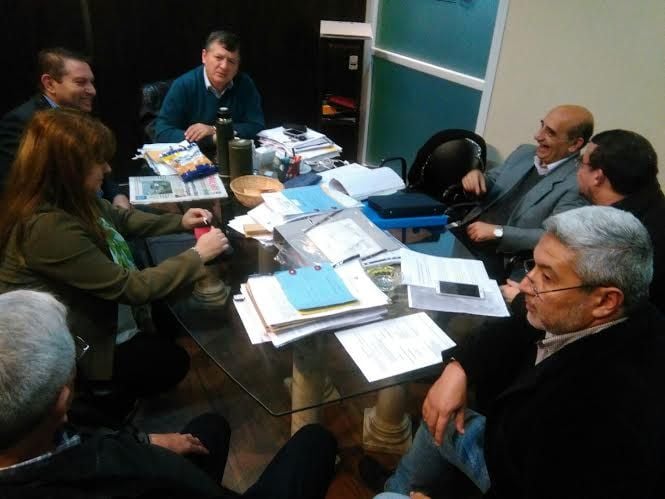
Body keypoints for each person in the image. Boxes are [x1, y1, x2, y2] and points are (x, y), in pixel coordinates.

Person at [373, 206, 665, 499]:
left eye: (547, 277)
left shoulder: (611, 413)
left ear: (605, 301)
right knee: (438, 415)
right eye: (532, 265)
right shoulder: (601, 313)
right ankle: (402, 486)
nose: (525, 285)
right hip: (512, 450)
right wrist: (458, 367)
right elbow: (516, 327)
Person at [0, 108, 229, 421]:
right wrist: (197, 255)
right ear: (69, 169)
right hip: (76, 339)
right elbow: (129, 287)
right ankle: (101, 395)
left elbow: (119, 218)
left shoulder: (70, 196)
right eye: (99, 161)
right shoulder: (46, 227)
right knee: (173, 361)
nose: (108, 169)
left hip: (93, 309)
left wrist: (180, 222)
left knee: (171, 319)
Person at [0, 289, 337, 498]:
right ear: (62, 401)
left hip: (146, 466)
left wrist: (145, 441)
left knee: (210, 428)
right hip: (161, 482)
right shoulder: (116, 482)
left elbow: (92, 439)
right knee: (315, 440)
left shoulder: (40, 431)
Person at [503, 129, 665, 314]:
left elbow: (582, 310)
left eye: (581, 163)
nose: (577, 169)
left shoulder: (619, 237)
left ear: (597, 177)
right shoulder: (652, 204)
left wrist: (520, 300)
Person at [456, 105, 592, 279]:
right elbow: (493, 181)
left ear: (575, 144)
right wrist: (477, 178)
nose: (538, 136)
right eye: (542, 126)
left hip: (502, 258)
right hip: (466, 232)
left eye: (550, 133)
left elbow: (554, 237)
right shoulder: (524, 153)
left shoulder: (577, 183)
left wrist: (498, 232)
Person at [0, 47, 129, 209]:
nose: (92, 91)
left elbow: (96, 164)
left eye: (91, 82)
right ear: (50, 84)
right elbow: (21, 189)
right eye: (80, 82)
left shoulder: (77, 112)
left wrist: (117, 195)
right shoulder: (23, 122)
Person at [154, 30, 265, 149]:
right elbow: (162, 132)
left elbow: (257, 125)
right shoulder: (183, 85)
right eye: (218, 57)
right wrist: (209, 140)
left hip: (232, 153)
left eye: (231, 61)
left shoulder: (244, 84)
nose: (224, 66)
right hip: (194, 154)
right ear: (204, 56)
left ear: (238, 65)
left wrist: (216, 130)